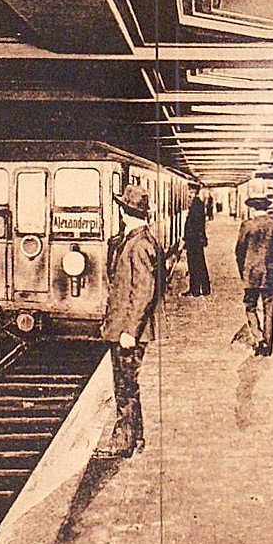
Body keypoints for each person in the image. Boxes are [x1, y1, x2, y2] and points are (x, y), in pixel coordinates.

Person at [99, 183, 164, 458]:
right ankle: (135, 437)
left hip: (129, 330)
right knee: (128, 385)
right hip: (125, 327)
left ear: (124, 213)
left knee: (125, 387)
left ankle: (123, 443)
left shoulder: (139, 245)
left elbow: (144, 292)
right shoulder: (134, 240)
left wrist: (130, 331)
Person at [235, 197, 273, 357]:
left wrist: (243, 271)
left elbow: (239, 251)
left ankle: (259, 337)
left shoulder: (247, 226)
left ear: (253, 209)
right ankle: (268, 346)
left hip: (252, 273)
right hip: (271, 274)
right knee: (269, 308)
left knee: (250, 305)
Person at [183, 184, 211, 296]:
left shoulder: (196, 204)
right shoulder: (197, 203)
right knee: (199, 263)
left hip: (194, 239)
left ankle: (195, 290)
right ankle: (204, 288)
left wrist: (190, 238)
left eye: (190, 191)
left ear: (194, 192)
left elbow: (197, 224)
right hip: (195, 239)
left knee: (194, 264)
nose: (189, 194)